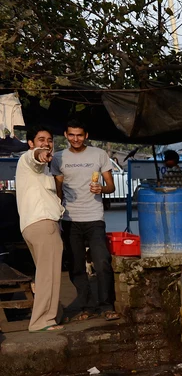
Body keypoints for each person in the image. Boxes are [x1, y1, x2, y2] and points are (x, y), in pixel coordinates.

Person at [52, 119, 120, 322]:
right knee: (76, 266)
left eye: (79, 135)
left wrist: (102, 188)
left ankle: (106, 305)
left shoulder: (99, 154)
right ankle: (87, 306)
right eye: (71, 135)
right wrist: (56, 216)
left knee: (102, 263)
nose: (75, 139)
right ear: (65, 135)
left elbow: (111, 186)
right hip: (70, 219)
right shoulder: (58, 157)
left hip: (94, 217)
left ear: (86, 136)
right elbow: (58, 191)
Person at [15, 126, 64, 332]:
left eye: (50, 140)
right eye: (41, 139)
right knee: (48, 274)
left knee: (44, 273)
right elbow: (34, 157)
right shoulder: (29, 159)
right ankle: (42, 321)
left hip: (34, 224)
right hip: (42, 223)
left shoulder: (43, 170)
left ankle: (49, 316)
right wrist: (40, 152)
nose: (47, 143)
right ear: (31, 143)